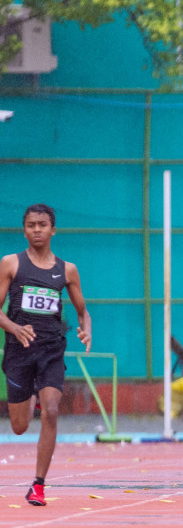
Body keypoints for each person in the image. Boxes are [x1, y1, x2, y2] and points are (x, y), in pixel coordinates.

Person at [0, 204, 91, 507]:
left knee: (51, 410)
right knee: (19, 426)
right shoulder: (11, 264)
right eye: (30, 225)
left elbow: (82, 311)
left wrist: (85, 329)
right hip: (19, 351)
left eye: (42, 225)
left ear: (53, 230)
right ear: (24, 230)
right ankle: (27, 397)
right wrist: (13, 327)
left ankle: (38, 485)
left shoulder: (67, 270)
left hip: (52, 349)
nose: (36, 230)